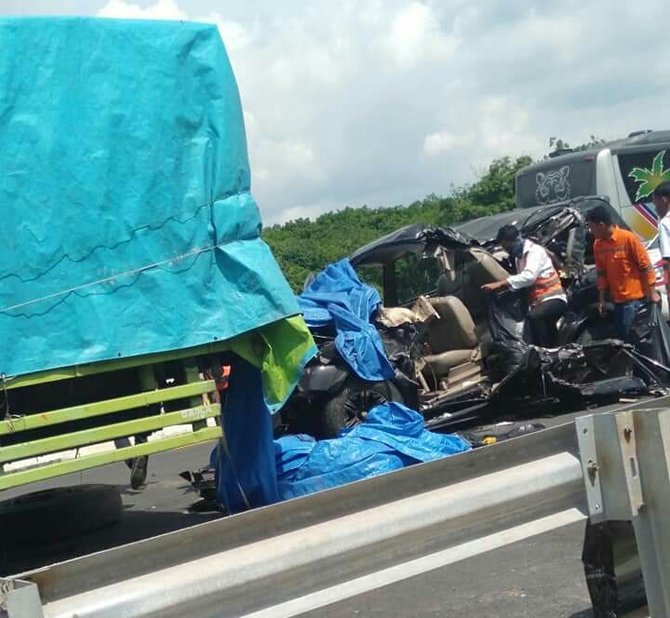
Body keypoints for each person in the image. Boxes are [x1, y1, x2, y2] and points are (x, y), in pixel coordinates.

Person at [482, 224, 567, 347]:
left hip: (553, 298)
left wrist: (501, 283)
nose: (508, 251)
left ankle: (545, 352)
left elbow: (529, 277)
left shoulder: (535, 251)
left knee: (533, 317)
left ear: (515, 240)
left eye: (508, 248)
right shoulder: (519, 258)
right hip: (538, 302)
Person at [585, 205, 659, 341]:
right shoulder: (598, 245)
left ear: (601, 225)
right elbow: (601, 273)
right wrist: (601, 299)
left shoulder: (628, 239)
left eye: (591, 227)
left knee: (633, 341)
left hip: (635, 301)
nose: (590, 231)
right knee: (622, 340)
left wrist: (653, 292)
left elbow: (645, 266)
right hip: (617, 302)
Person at [653, 180, 670, 301]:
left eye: (655, 202)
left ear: (664, 200)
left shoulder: (665, 223)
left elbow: (667, 259)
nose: (655, 207)